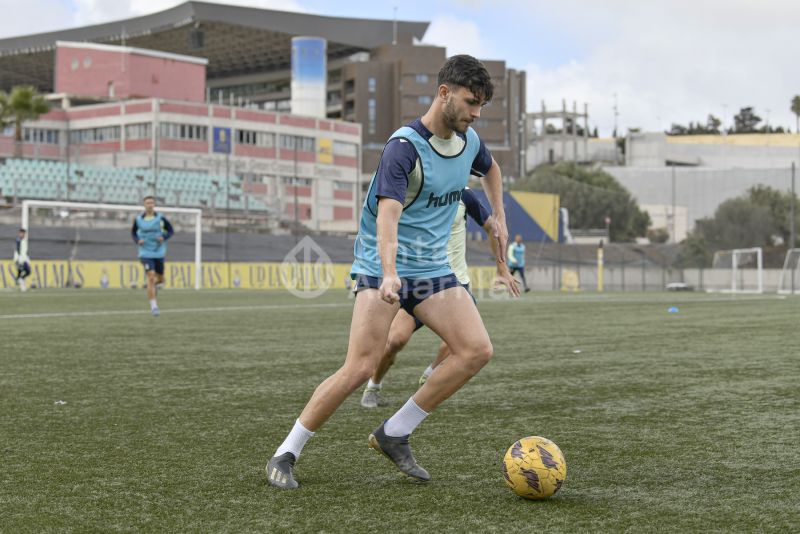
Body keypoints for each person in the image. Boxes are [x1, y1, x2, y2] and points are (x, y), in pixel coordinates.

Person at [266, 54, 508, 489]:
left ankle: (394, 432)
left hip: (433, 270)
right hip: (383, 267)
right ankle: (286, 452)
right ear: (444, 93)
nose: (475, 114)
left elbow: (492, 170)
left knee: (476, 350)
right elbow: (387, 218)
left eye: (482, 107)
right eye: (471, 103)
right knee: (360, 367)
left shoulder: (469, 142)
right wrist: (392, 272)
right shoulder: (403, 148)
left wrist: (499, 216)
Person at [360, 187, 520, 408]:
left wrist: (502, 269)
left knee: (461, 344)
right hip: (421, 281)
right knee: (395, 340)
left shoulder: (465, 195)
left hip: (455, 284)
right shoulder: (414, 191)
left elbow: (493, 228)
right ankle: (373, 386)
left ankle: (431, 374)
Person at [131, 196, 173, 316]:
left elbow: (170, 230)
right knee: (150, 277)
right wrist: (137, 240)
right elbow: (133, 232)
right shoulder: (139, 219)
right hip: (145, 253)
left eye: (151, 203)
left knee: (160, 279)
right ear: (144, 205)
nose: (150, 205)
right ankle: (154, 306)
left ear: (154, 205)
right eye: (147, 203)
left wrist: (163, 237)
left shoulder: (160, 218)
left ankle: (154, 285)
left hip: (159, 252)